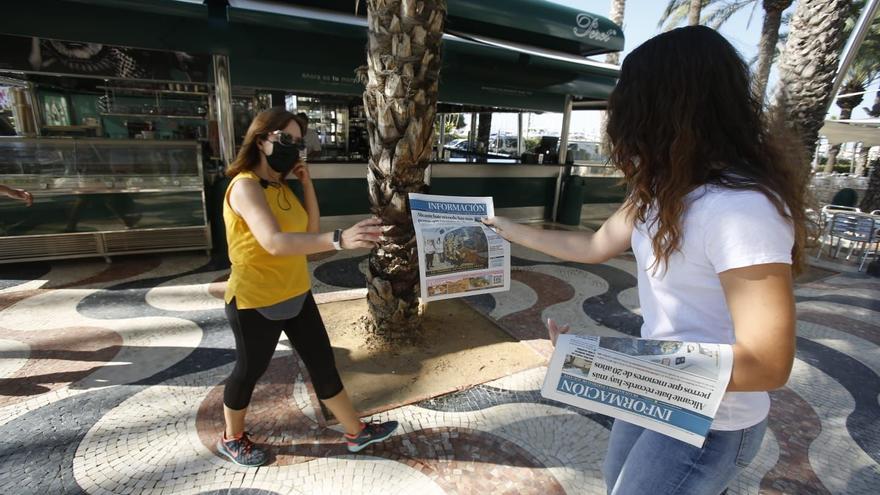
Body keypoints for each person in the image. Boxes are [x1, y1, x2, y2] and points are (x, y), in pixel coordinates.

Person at [483, 26, 806, 495]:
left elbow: (769, 364)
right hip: (656, 395)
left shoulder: (742, 209)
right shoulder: (660, 193)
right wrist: (505, 229)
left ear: (664, 108)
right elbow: (593, 247)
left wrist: (608, 365)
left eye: (628, 99)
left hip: (712, 421)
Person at [219, 108, 398, 467]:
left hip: (296, 292)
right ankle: (232, 437)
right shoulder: (245, 186)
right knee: (249, 371)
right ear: (261, 140)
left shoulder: (280, 186)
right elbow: (273, 242)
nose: (294, 149)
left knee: (322, 363)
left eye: (299, 144)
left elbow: (307, 234)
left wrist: (307, 184)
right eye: (286, 140)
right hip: (255, 299)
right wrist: (340, 240)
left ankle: (355, 432)